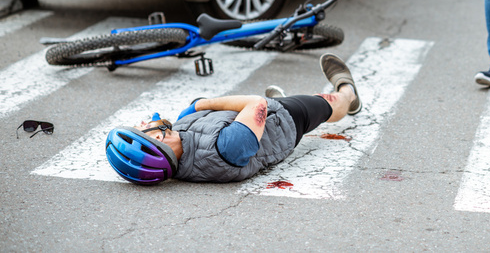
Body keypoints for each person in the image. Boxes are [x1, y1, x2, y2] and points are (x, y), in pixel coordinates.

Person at [105, 53, 360, 184]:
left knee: (265, 106)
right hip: (285, 122)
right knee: (326, 105)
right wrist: (201, 103)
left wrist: (194, 109)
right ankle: (348, 91)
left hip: (253, 119)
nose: (143, 122)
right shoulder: (226, 149)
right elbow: (257, 103)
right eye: (141, 128)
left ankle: (283, 102)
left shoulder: (181, 128)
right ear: (158, 138)